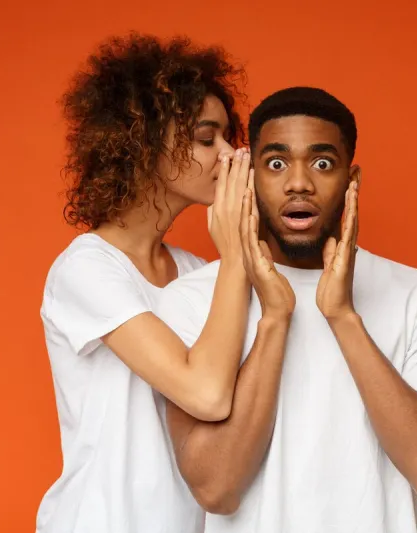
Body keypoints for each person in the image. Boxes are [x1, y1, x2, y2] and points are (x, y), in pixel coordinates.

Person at [154, 86, 417, 533]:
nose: (298, 183)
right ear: (251, 178)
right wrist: (275, 319)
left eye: (322, 163)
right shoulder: (190, 299)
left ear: (351, 180)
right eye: (276, 163)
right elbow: (216, 489)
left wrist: (342, 316)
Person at [36, 33, 254, 533]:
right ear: (145, 143)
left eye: (227, 137)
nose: (228, 154)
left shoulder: (203, 275)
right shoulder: (85, 270)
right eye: (206, 138)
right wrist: (238, 255)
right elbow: (207, 394)